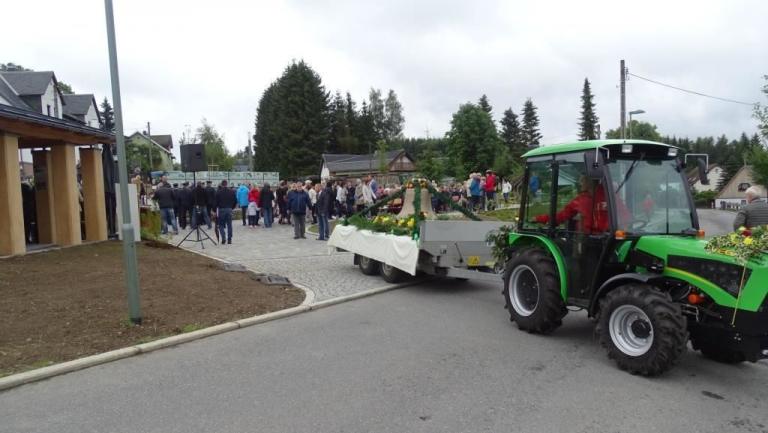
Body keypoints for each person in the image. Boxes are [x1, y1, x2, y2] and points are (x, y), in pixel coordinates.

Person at [215, 180, 237, 244]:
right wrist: (232, 207)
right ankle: (229, 239)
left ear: (221, 184)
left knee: (221, 224)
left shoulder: (218, 192)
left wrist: (214, 210)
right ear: (227, 184)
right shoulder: (231, 192)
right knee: (229, 224)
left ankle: (223, 238)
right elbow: (235, 201)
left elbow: (215, 202)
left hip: (221, 209)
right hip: (229, 209)